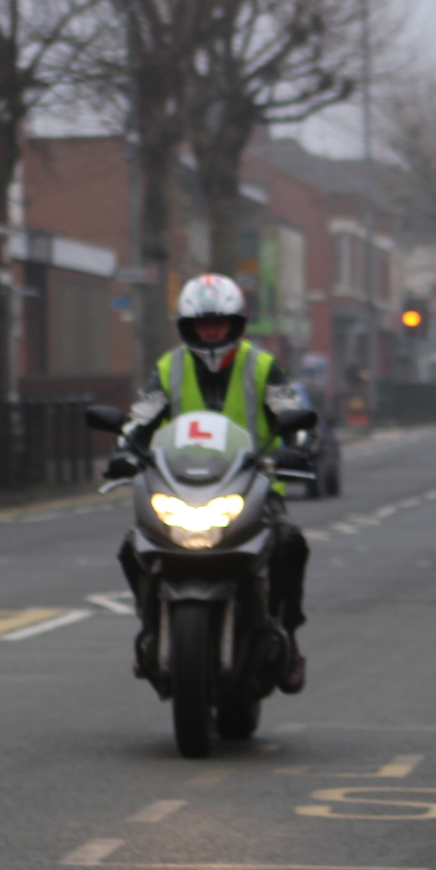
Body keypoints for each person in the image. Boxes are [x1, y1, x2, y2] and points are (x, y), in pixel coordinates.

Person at [108, 274, 312, 693]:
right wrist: (125, 450)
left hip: (253, 485)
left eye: (220, 322)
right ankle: (150, 626)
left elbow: (292, 413)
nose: (212, 331)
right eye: (203, 324)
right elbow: (140, 419)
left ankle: (287, 635)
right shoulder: (169, 369)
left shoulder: (262, 367)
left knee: (290, 545)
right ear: (188, 327)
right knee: (133, 547)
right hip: (181, 485)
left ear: (236, 323)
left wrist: (299, 446)